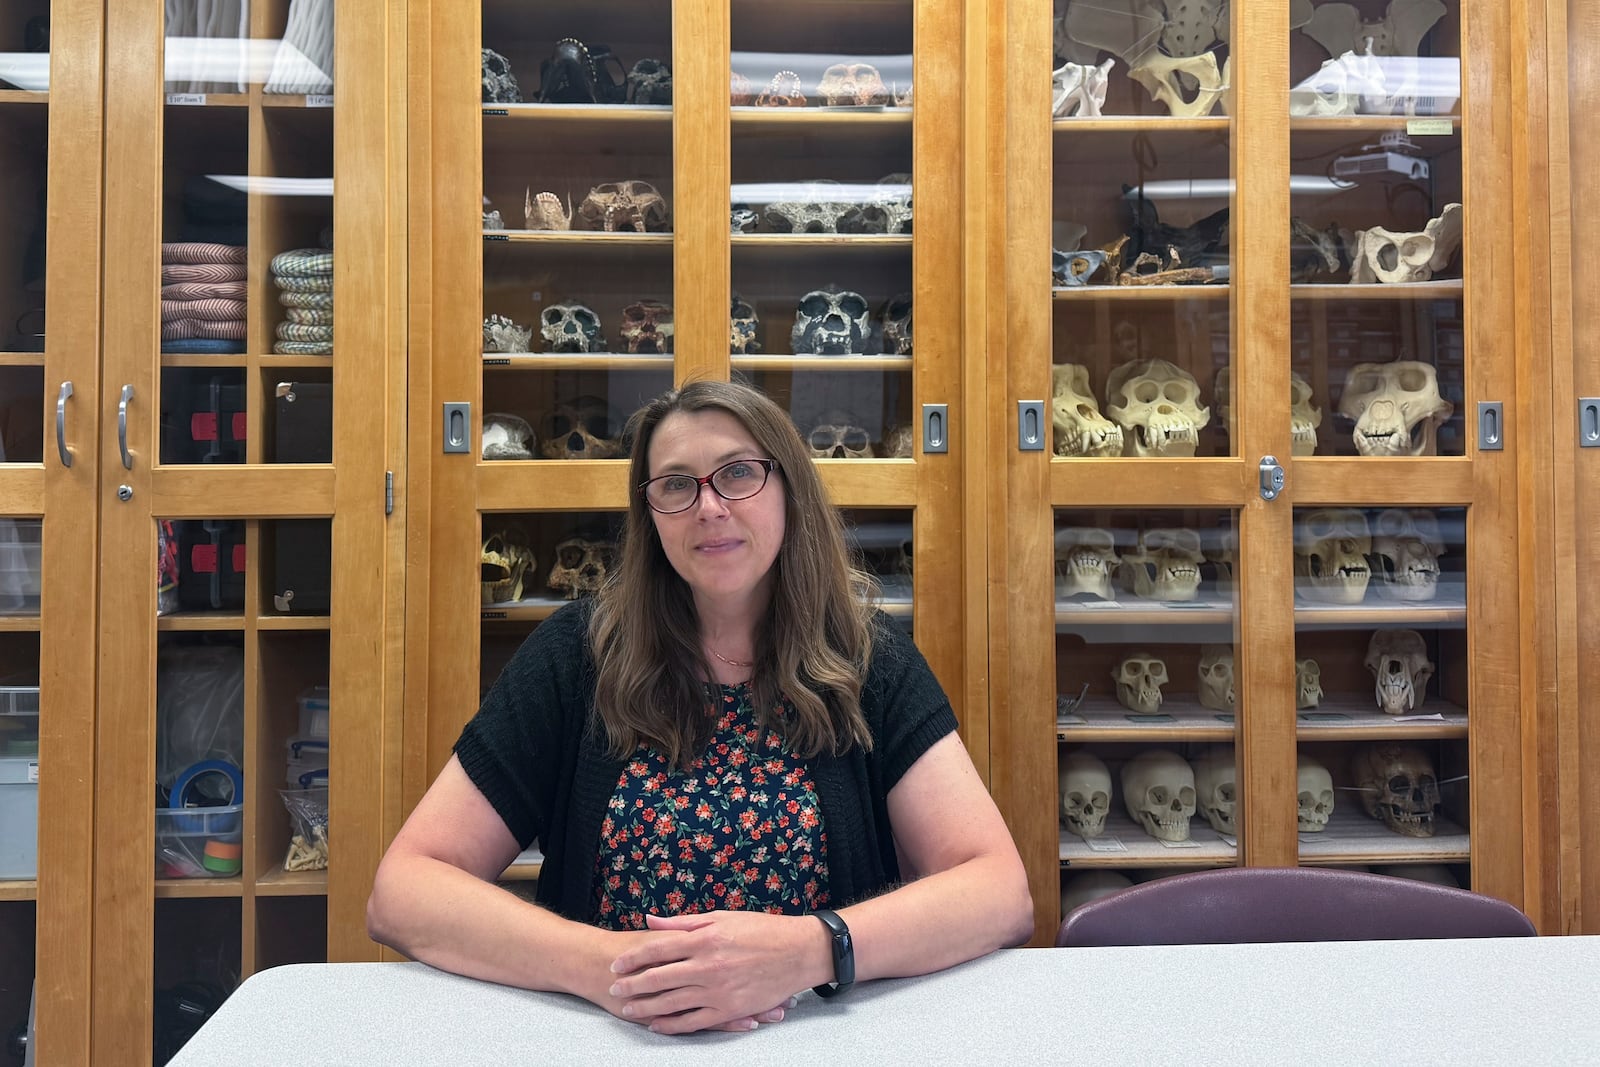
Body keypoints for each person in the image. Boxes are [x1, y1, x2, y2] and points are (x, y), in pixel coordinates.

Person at [367, 379, 1033, 1035]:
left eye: (738, 473)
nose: (709, 507)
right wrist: (608, 965)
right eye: (677, 484)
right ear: (650, 513)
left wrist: (810, 948)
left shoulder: (868, 660)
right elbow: (404, 891)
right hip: (613, 1039)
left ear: (788, 488)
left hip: (818, 1039)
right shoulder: (577, 656)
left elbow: (999, 891)